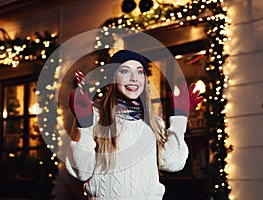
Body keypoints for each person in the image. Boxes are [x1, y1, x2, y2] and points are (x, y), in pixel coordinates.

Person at [65, 50, 204, 200]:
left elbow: (173, 163)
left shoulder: (153, 122)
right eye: (125, 71)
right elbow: (81, 172)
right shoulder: (94, 114)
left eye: (139, 72)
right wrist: (84, 124)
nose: (134, 79)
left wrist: (179, 118)